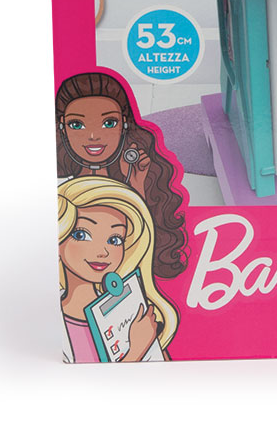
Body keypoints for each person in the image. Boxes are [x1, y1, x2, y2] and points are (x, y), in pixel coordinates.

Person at [56, 71, 188, 278]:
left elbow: (142, 252)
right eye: (77, 125)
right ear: (62, 127)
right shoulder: (60, 191)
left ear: (124, 125)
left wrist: (137, 188)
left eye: (108, 123)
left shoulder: (134, 181)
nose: (93, 136)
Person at [58, 177, 179, 362]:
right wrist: (136, 350)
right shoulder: (46, 315)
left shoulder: (129, 307)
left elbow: (167, 374)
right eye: (81, 235)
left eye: (114, 240)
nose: (103, 252)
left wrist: (148, 343)